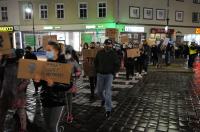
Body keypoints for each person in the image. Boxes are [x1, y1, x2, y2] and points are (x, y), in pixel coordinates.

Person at [34, 41, 73, 132]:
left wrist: (54, 84)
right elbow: (39, 83)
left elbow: (68, 85)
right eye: (45, 50)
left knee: (52, 126)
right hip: (45, 99)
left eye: (49, 50)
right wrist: (37, 80)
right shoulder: (44, 64)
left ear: (56, 51)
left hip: (58, 101)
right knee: (48, 126)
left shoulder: (64, 64)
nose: (46, 52)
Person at [0, 49, 30, 132]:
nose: (8, 56)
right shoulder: (3, 64)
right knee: (2, 113)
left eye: (10, 55)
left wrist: (18, 88)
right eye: (7, 55)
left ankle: (23, 129)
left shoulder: (21, 65)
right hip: (4, 93)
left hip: (18, 94)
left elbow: (27, 80)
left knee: (21, 112)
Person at [94, 39, 120, 118]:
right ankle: (103, 99)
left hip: (109, 75)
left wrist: (114, 72)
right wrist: (97, 70)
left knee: (108, 92)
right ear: (104, 45)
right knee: (99, 91)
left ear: (111, 45)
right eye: (106, 44)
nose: (108, 46)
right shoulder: (99, 53)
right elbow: (96, 62)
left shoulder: (114, 54)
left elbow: (117, 64)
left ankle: (108, 109)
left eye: (109, 45)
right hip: (100, 75)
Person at [63, 49, 81, 123]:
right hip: (61, 84)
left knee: (69, 100)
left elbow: (79, 71)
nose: (67, 55)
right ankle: (64, 113)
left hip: (70, 83)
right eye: (66, 54)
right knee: (63, 100)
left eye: (68, 54)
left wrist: (73, 75)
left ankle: (69, 114)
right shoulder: (61, 61)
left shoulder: (73, 61)